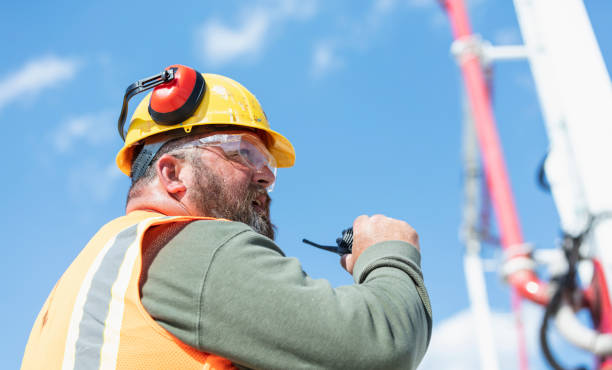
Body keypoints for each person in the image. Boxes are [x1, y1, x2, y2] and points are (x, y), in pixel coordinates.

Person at [21, 66, 432, 370]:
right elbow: (380, 347)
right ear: (172, 174)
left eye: (267, 160)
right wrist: (388, 255)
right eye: (242, 152)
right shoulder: (192, 247)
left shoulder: (98, 273)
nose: (267, 174)